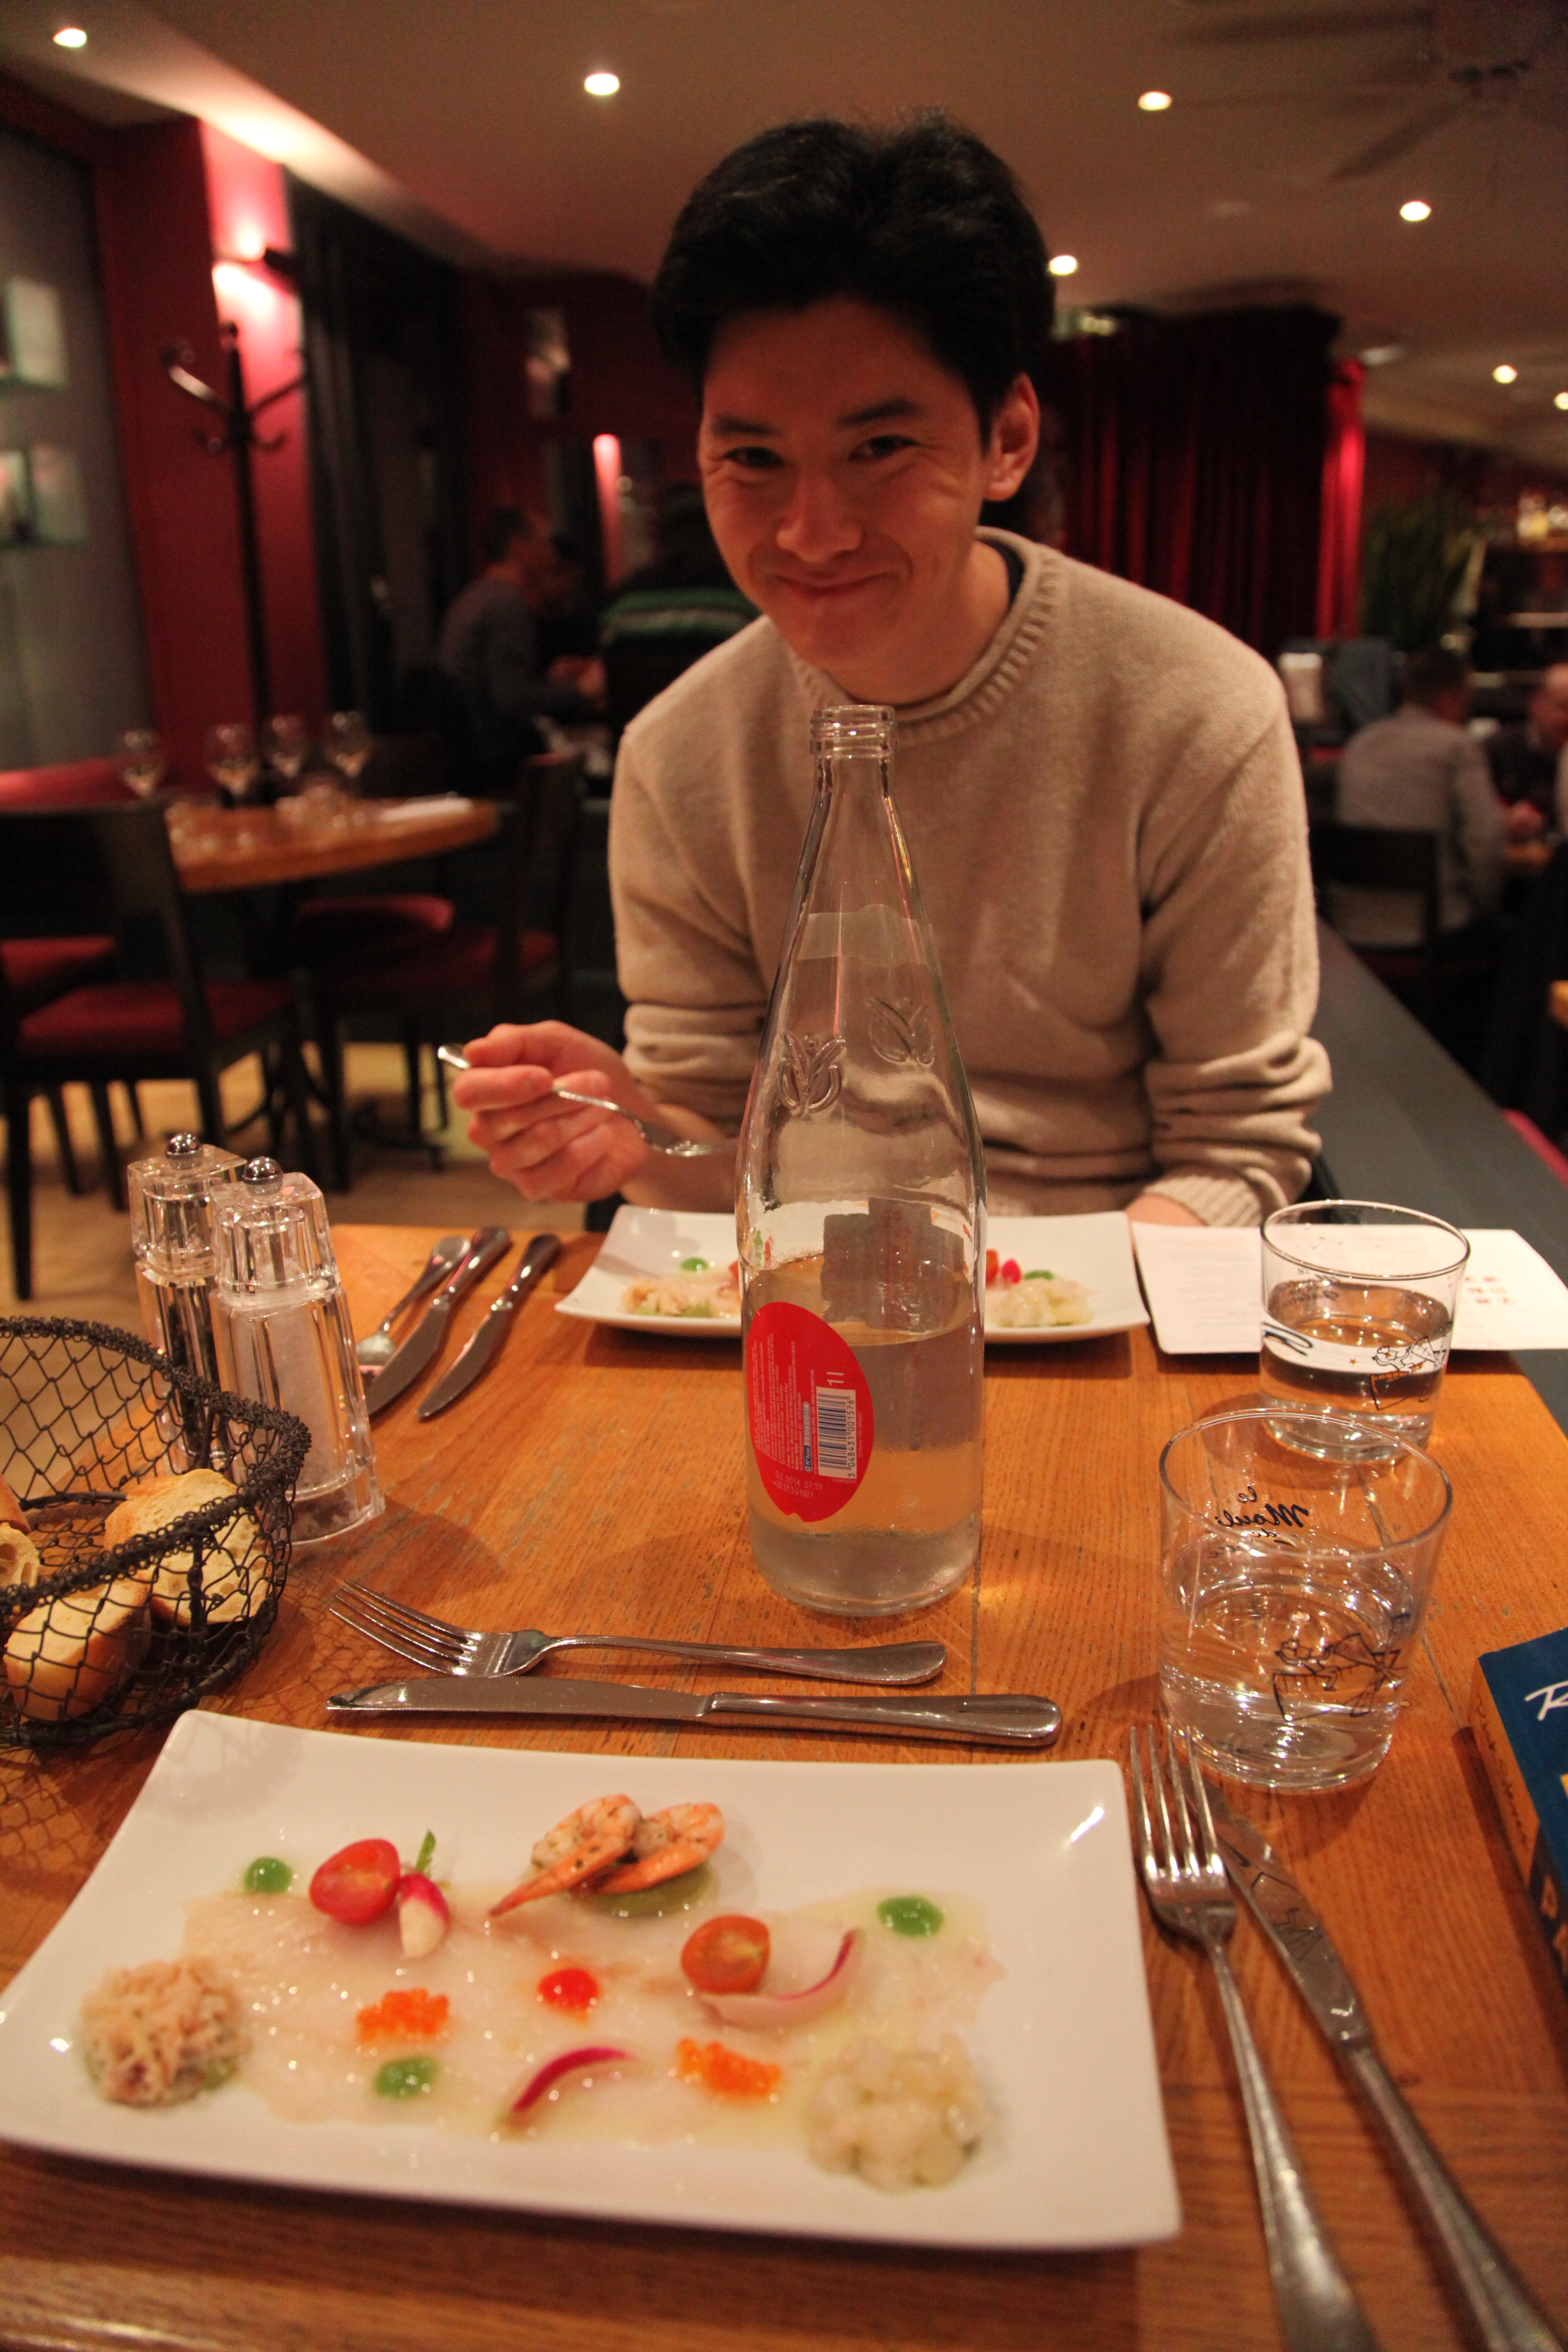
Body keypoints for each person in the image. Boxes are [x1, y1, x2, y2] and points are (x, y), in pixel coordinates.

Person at [454, 114, 1328, 1230]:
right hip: (809, 1282)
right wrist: (630, 1130)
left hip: (1111, 1270)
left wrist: (1040, 1302)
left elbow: (1235, 1145)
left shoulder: (1197, 709)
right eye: (754, 458)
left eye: (879, 448)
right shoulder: (681, 753)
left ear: (1007, 439)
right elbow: (712, 1146)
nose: (811, 533)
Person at [1331, 645, 1506, 951]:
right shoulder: (1457, 746)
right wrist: (1487, 904)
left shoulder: (1360, 744)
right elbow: (1485, 841)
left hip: (1349, 928)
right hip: (1432, 932)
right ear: (1448, 699)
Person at [436, 508, 606, 792]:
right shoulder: (507, 604)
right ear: (519, 547)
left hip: (466, 762)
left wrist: (548, 680)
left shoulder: (471, 599)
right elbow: (510, 699)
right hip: (499, 767)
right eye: (544, 542)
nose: (551, 554)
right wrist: (581, 691)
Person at [1486, 663, 1568, 841]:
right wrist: (1504, 818)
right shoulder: (1497, 749)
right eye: (1564, 707)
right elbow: (1475, 811)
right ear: (1537, 704)